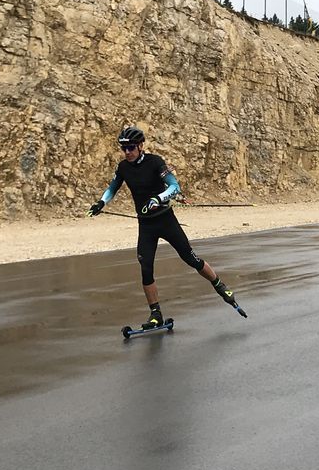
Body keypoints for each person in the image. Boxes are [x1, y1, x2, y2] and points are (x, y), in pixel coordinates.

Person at [87, 126, 246, 329]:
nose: (127, 152)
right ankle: (156, 314)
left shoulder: (155, 162)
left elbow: (174, 187)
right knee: (145, 268)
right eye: (124, 148)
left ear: (141, 146)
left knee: (191, 259)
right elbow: (112, 188)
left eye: (131, 148)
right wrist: (101, 203)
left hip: (165, 220)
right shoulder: (123, 167)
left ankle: (220, 285)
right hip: (146, 225)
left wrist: (157, 199)